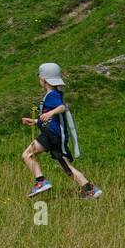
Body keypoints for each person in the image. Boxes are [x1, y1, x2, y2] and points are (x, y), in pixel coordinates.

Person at [21, 62, 102, 199]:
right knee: (66, 167)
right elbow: (52, 117)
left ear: (44, 80)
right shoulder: (55, 93)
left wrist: (51, 113)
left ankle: (41, 182)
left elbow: (61, 108)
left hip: (51, 135)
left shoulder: (52, 95)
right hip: (54, 136)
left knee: (27, 155)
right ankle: (90, 190)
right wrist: (35, 121)